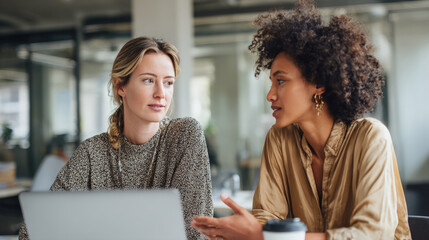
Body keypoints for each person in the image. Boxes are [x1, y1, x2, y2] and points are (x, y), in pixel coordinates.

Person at [191, 0, 411, 239]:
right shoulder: (279, 139)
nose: (270, 94)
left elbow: (372, 234)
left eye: (281, 81)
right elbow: (266, 218)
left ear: (318, 84)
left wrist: (266, 235)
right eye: (271, 83)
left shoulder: (371, 138)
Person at [19, 37, 213, 240]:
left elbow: (194, 233)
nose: (161, 93)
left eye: (168, 82)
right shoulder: (92, 153)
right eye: (148, 80)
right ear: (121, 86)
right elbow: (31, 232)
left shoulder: (184, 135)